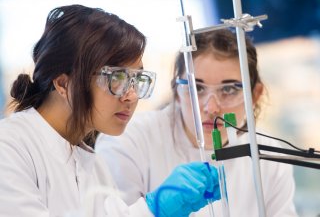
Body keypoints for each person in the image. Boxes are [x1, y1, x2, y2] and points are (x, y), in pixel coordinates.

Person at [0, 4, 221, 217]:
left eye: (137, 79)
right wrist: (152, 209)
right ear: (63, 84)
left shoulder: (95, 166)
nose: (132, 96)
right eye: (117, 78)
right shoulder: (9, 145)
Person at [95, 29, 298, 216]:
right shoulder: (129, 141)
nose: (211, 108)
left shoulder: (268, 156)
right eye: (196, 88)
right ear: (176, 91)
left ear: (254, 94)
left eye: (228, 90)